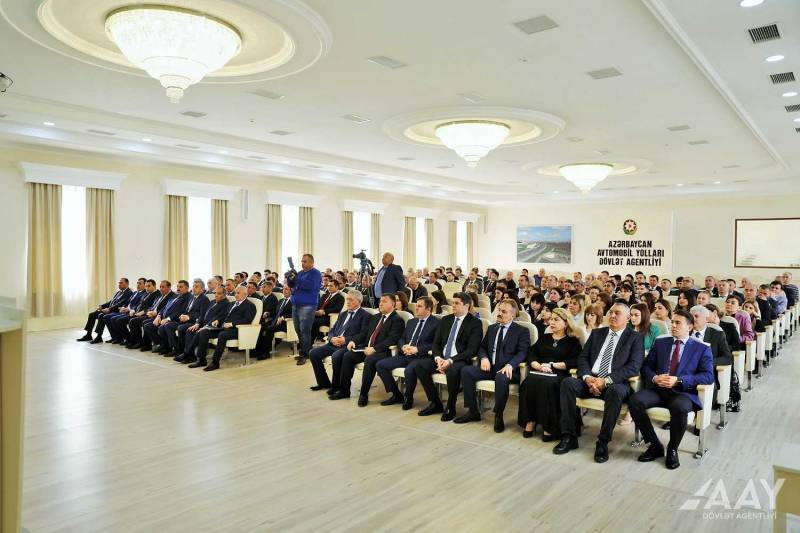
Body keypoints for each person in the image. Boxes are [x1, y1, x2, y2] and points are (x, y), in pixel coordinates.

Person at [553, 303, 644, 463]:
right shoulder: (597, 333)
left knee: (615, 391)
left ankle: (602, 442)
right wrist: (587, 378)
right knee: (567, 383)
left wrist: (606, 380)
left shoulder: (635, 338)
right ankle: (569, 436)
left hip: (615, 383)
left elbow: (634, 367)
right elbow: (582, 358)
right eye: (611, 312)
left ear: (628, 318)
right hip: (591, 379)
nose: (613, 316)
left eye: (618, 313)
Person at [628, 310, 714, 470]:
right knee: (635, 401)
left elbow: (708, 376)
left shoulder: (701, 348)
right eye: (672, 322)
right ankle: (654, 445)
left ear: (689, 327)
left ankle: (673, 448)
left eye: (677, 323)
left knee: (679, 408)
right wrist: (655, 378)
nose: (672, 325)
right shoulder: (661, 343)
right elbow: (646, 366)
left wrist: (679, 380)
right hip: (658, 389)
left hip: (682, 392)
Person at [455, 299, 531, 432]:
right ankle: (473, 411)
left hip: (507, 370)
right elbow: (482, 347)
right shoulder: (492, 328)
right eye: (499, 310)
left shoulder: (521, 331)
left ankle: (498, 414)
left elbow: (523, 352)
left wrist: (510, 365)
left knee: (501, 377)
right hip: (490, 367)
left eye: (504, 311)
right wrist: (484, 358)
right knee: (466, 370)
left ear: (513, 315)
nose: (499, 313)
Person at [414, 292, 483, 420]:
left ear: (467, 306)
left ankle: (451, 406)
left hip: (459, 359)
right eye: (452, 303)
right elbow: (436, 343)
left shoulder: (475, 323)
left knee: (452, 371)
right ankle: (435, 403)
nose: (453, 306)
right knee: (419, 366)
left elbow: (471, 350)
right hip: (442, 357)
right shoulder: (446, 320)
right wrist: (438, 358)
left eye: (457, 303)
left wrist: (450, 360)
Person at [518, 308, 581, 441]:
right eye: (551, 319)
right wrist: (536, 364)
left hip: (559, 373)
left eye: (556, 320)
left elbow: (575, 360)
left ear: (565, 323)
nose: (551, 322)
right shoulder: (545, 338)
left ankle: (550, 426)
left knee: (549, 385)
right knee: (528, 382)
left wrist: (554, 365)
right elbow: (531, 353)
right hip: (540, 370)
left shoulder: (572, 341)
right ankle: (530, 420)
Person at [329, 294, 404, 405]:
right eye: (380, 301)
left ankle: (363, 394)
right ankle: (344, 390)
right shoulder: (376, 317)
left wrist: (374, 349)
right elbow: (365, 334)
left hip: (383, 351)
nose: (381, 303)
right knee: (348, 356)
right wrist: (354, 341)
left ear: (393, 304)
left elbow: (391, 340)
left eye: (384, 301)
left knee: (370, 360)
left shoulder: (397, 320)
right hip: (366, 348)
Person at [375, 297, 440, 409]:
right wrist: (403, 346)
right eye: (416, 305)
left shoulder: (437, 323)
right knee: (380, 365)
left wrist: (417, 349)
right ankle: (396, 394)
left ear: (429, 309)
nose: (416, 308)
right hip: (405, 354)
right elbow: (401, 338)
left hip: (422, 357)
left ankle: (408, 398)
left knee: (410, 370)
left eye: (419, 306)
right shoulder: (411, 321)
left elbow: (436, 344)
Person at [309, 290, 370, 392]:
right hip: (334, 343)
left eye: (351, 300)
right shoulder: (343, 314)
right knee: (313, 353)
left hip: (347, 345)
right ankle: (323, 383)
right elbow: (333, 329)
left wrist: (345, 340)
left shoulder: (366, 316)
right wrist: (332, 338)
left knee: (336, 356)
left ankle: (336, 386)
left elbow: (363, 334)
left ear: (359, 301)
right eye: (347, 299)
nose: (348, 302)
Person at [189, 286, 257, 372]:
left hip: (237, 330)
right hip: (223, 327)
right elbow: (224, 315)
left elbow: (247, 320)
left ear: (245, 294)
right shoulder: (232, 303)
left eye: (238, 293)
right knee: (204, 332)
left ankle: (215, 362)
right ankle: (201, 360)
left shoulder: (250, 306)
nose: (236, 295)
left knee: (222, 335)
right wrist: (218, 320)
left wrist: (232, 324)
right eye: (235, 293)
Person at [174, 287, 230, 365]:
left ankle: (189, 354)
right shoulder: (213, 302)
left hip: (214, 327)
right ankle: (190, 356)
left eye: (219, 293)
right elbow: (203, 315)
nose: (216, 295)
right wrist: (197, 323)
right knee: (190, 330)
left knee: (199, 333)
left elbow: (219, 317)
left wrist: (206, 326)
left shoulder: (226, 304)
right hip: (204, 324)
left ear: (224, 295)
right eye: (215, 293)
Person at [287, 254, 323, 366]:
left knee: (305, 331)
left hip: (307, 305)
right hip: (296, 305)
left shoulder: (315, 273)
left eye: (305, 261)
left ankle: (305, 354)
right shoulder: (301, 273)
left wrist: (296, 278)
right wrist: (289, 278)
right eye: (302, 261)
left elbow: (310, 286)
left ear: (312, 262)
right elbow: (291, 285)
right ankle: (306, 351)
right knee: (298, 330)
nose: (302, 263)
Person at [77, 278, 133, 343]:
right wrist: (102, 306)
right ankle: (88, 335)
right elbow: (111, 302)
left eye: (121, 283)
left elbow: (120, 304)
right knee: (92, 314)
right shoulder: (119, 292)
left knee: (101, 316)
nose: (119, 284)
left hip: (116, 311)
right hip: (110, 309)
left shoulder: (129, 293)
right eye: (119, 283)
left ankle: (99, 336)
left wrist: (109, 309)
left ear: (127, 284)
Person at [164, 279, 209, 356]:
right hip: (186, 321)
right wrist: (183, 315)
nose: (194, 288)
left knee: (182, 328)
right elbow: (187, 310)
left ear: (202, 289)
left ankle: (186, 353)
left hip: (195, 322)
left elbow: (202, 314)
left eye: (196, 287)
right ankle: (178, 350)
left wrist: (188, 317)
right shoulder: (193, 298)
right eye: (193, 286)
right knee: (168, 325)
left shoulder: (204, 299)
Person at [250, 286, 293, 360]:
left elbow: (295, 313)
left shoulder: (295, 301)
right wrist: (268, 313)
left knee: (269, 329)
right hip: (276, 321)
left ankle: (266, 352)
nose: (284, 291)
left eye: (286, 289)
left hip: (286, 323)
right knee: (261, 326)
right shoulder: (281, 300)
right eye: (283, 289)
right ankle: (257, 349)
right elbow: (275, 313)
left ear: (292, 291)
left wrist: (284, 317)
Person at [102, 278, 147, 344]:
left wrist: (129, 309)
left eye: (140, 283)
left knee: (117, 320)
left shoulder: (144, 294)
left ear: (144, 285)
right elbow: (128, 302)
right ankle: (116, 337)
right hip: (126, 311)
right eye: (137, 283)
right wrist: (123, 307)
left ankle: (128, 338)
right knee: (107, 317)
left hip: (132, 312)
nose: (138, 285)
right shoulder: (135, 292)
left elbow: (139, 305)